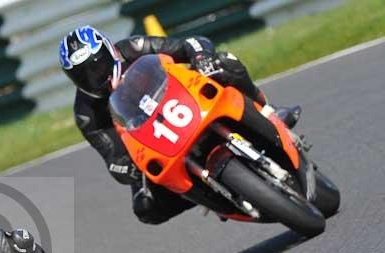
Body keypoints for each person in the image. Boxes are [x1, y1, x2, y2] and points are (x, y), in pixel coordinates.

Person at [59, 26, 302, 225]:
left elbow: (191, 44)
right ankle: (207, 195)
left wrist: (201, 58)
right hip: (153, 142)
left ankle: (269, 112)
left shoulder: (134, 48)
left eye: (98, 66)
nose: (96, 78)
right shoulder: (86, 114)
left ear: (109, 51)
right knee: (146, 207)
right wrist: (128, 168)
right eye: (84, 76)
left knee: (226, 62)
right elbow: (112, 159)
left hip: (186, 103)